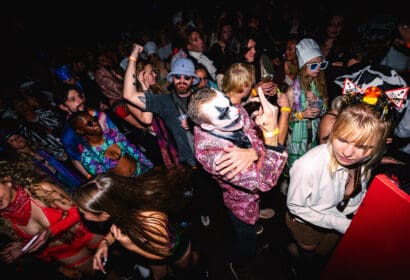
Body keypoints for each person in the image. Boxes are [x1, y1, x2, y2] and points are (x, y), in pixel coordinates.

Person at [285, 86, 400, 277]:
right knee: (308, 252)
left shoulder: (365, 160)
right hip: (306, 222)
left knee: (324, 252)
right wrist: (340, 223)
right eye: (342, 140)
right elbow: (296, 206)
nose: (347, 153)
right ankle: (296, 261)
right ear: (335, 128)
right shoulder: (309, 166)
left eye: (362, 146)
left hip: (336, 219)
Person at [188, 86, 288, 278]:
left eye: (227, 101)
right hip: (241, 203)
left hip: (255, 196)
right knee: (247, 241)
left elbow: (251, 134)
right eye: (224, 111)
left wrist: (255, 152)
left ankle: (255, 222)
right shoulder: (215, 156)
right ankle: (240, 264)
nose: (235, 110)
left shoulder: (229, 112)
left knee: (255, 218)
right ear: (208, 126)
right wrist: (271, 134)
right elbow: (265, 182)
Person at [73, 167, 199, 280]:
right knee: (158, 276)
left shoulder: (149, 219)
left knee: (189, 265)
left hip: (175, 249)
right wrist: (104, 243)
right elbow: (115, 229)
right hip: (149, 247)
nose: (83, 216)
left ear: (104, 213)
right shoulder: (120, 208)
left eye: (84, 213)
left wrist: (130, 246)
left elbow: (163, 253)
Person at [0, 160, 117, 279]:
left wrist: (51, 231)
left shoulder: (40, 190)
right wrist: (25, 249)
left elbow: (78, 211)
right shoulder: (3, 222)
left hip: (86, 232)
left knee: (120, 258)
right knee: (106, 275)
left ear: (7, 182)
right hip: (65, 253)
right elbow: (39, 252)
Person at [68, 111, 153, 177]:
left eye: (94, 119)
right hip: (129, 188)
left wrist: (151, 168)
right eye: (89, 124)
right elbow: (109, 181)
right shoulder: (88, 157)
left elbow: (135, 152)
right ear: (80, 131)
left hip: (145, 173)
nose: (95, 123)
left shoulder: (112, 134)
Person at [286, 38, 328, 168]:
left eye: (321, 64)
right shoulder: (292, 91)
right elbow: (285, 119)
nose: (318, 68)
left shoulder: (318, 84)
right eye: (313, 65)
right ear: (303, 66)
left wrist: (319, 103)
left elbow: (325, 111)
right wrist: (302, 115)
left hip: (315, 135)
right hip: (297, 140)